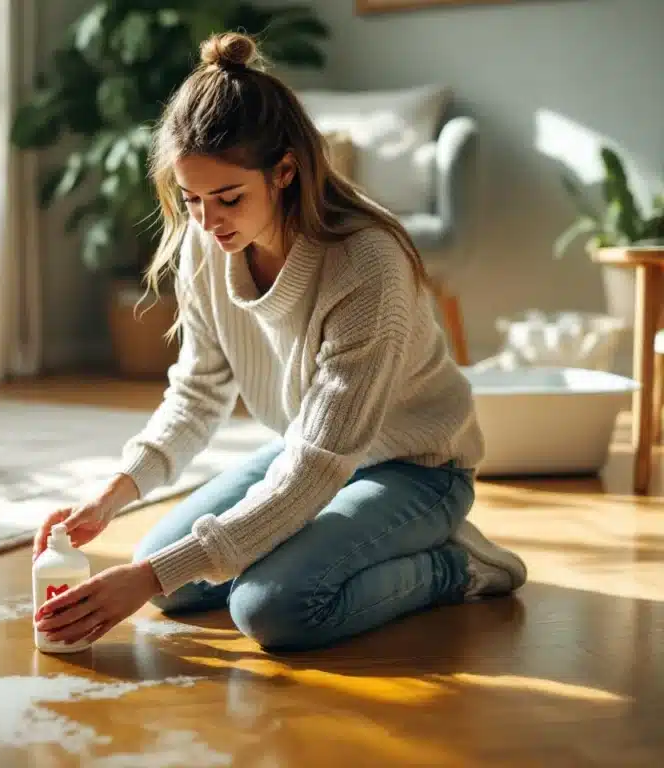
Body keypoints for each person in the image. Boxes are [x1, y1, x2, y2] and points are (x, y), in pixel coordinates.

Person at [32, 31, 526, 652]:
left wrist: (150, 576)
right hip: (311, 448)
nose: (208, 222)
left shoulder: (366, 264)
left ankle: (457, 566)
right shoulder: (206, 244)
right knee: (171, 581)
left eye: (229, 198)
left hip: (417, 469)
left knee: (271, 606)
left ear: (285, 171)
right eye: (191, 199)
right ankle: (340, 544)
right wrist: (113, 495)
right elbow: (197, 395)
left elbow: (321, 464)